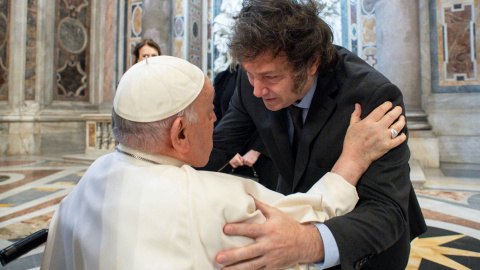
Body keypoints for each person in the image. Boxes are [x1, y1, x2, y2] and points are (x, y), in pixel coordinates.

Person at [41, 56, 405, 269]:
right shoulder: (219, 202)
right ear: (180, 133)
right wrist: (352, 158)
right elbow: (308, 219)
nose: (218, 118)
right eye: (209, 110)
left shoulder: (85, 185)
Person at [203, 0, 427, 269]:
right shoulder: (252, 77)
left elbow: (386, 210)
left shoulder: (371, 96)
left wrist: (307, 243)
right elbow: (217, 148)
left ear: (312, 64)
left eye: (271, 77)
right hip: (295, 230)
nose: (257, 90)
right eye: (251, 75)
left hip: (360, 249)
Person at [213, 65, 278, 188]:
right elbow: (218, 115)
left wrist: (257, 149)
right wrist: (227, 152)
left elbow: (275, 117)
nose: (257, 91)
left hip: (264, 152)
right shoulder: (224, 77)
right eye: (250, 76)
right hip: (232, 152)